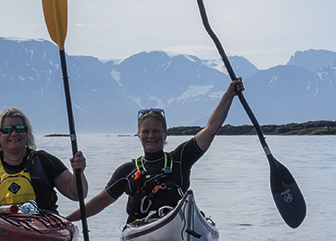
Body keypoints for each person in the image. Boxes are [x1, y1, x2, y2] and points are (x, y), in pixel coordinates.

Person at [67, 78, 244, 223]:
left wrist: (229, 95)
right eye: (145, 131)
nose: (151, 136)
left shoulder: (180, 158)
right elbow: (100, 202)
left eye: (156, 131)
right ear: (138, 135)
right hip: (140, 231)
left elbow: (211, 128)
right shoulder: (126, 171)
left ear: (165, 134)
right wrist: (66, 221)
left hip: (179, 224)